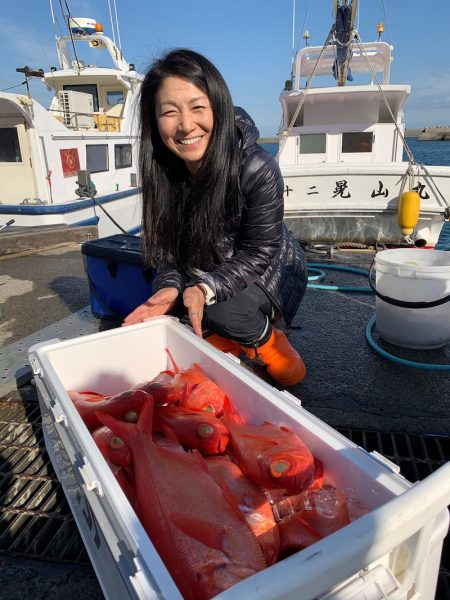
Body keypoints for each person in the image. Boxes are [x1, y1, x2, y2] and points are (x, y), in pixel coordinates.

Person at [123, 48, 308, 387]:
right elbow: (167, 253)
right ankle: (224, 335)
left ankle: (270, 342)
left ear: (218, 108)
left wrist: (205, 288)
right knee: (168, 306)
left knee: (221, 308)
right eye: (169, 112)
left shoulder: (256, 167)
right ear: (153, 120)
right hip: (208, 267)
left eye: (197, 107)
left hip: (271, 272)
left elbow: (260, 251)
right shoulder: (163, 173)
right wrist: (169, 288)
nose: (185, 125)